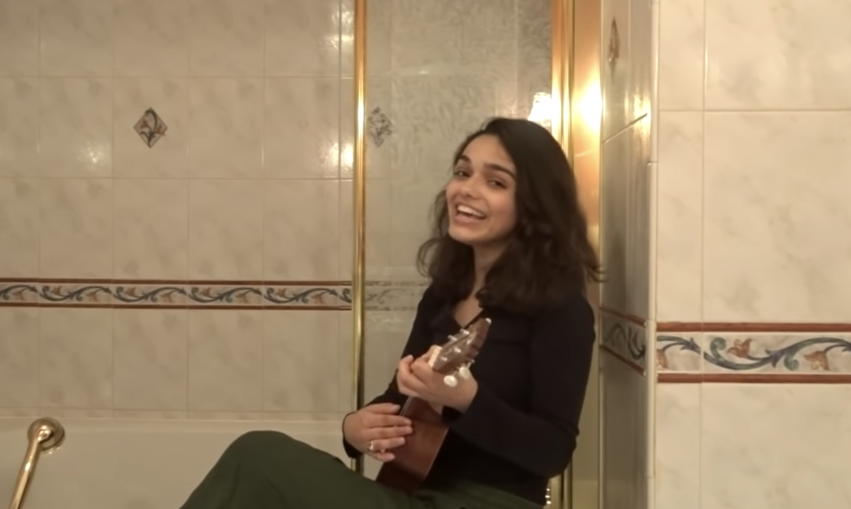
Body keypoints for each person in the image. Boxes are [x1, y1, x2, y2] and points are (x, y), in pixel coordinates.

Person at [177, 117, 601, 509]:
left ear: (534, 205)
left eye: (495, 181)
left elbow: (553, 451)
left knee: (259, 454)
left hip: (489, 502)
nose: (467, 189)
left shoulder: (560, 309)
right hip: (413, 487)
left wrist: (466, 400)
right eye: (462, 171)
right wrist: (354, 428)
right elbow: (399, 399)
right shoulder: (443, 294)